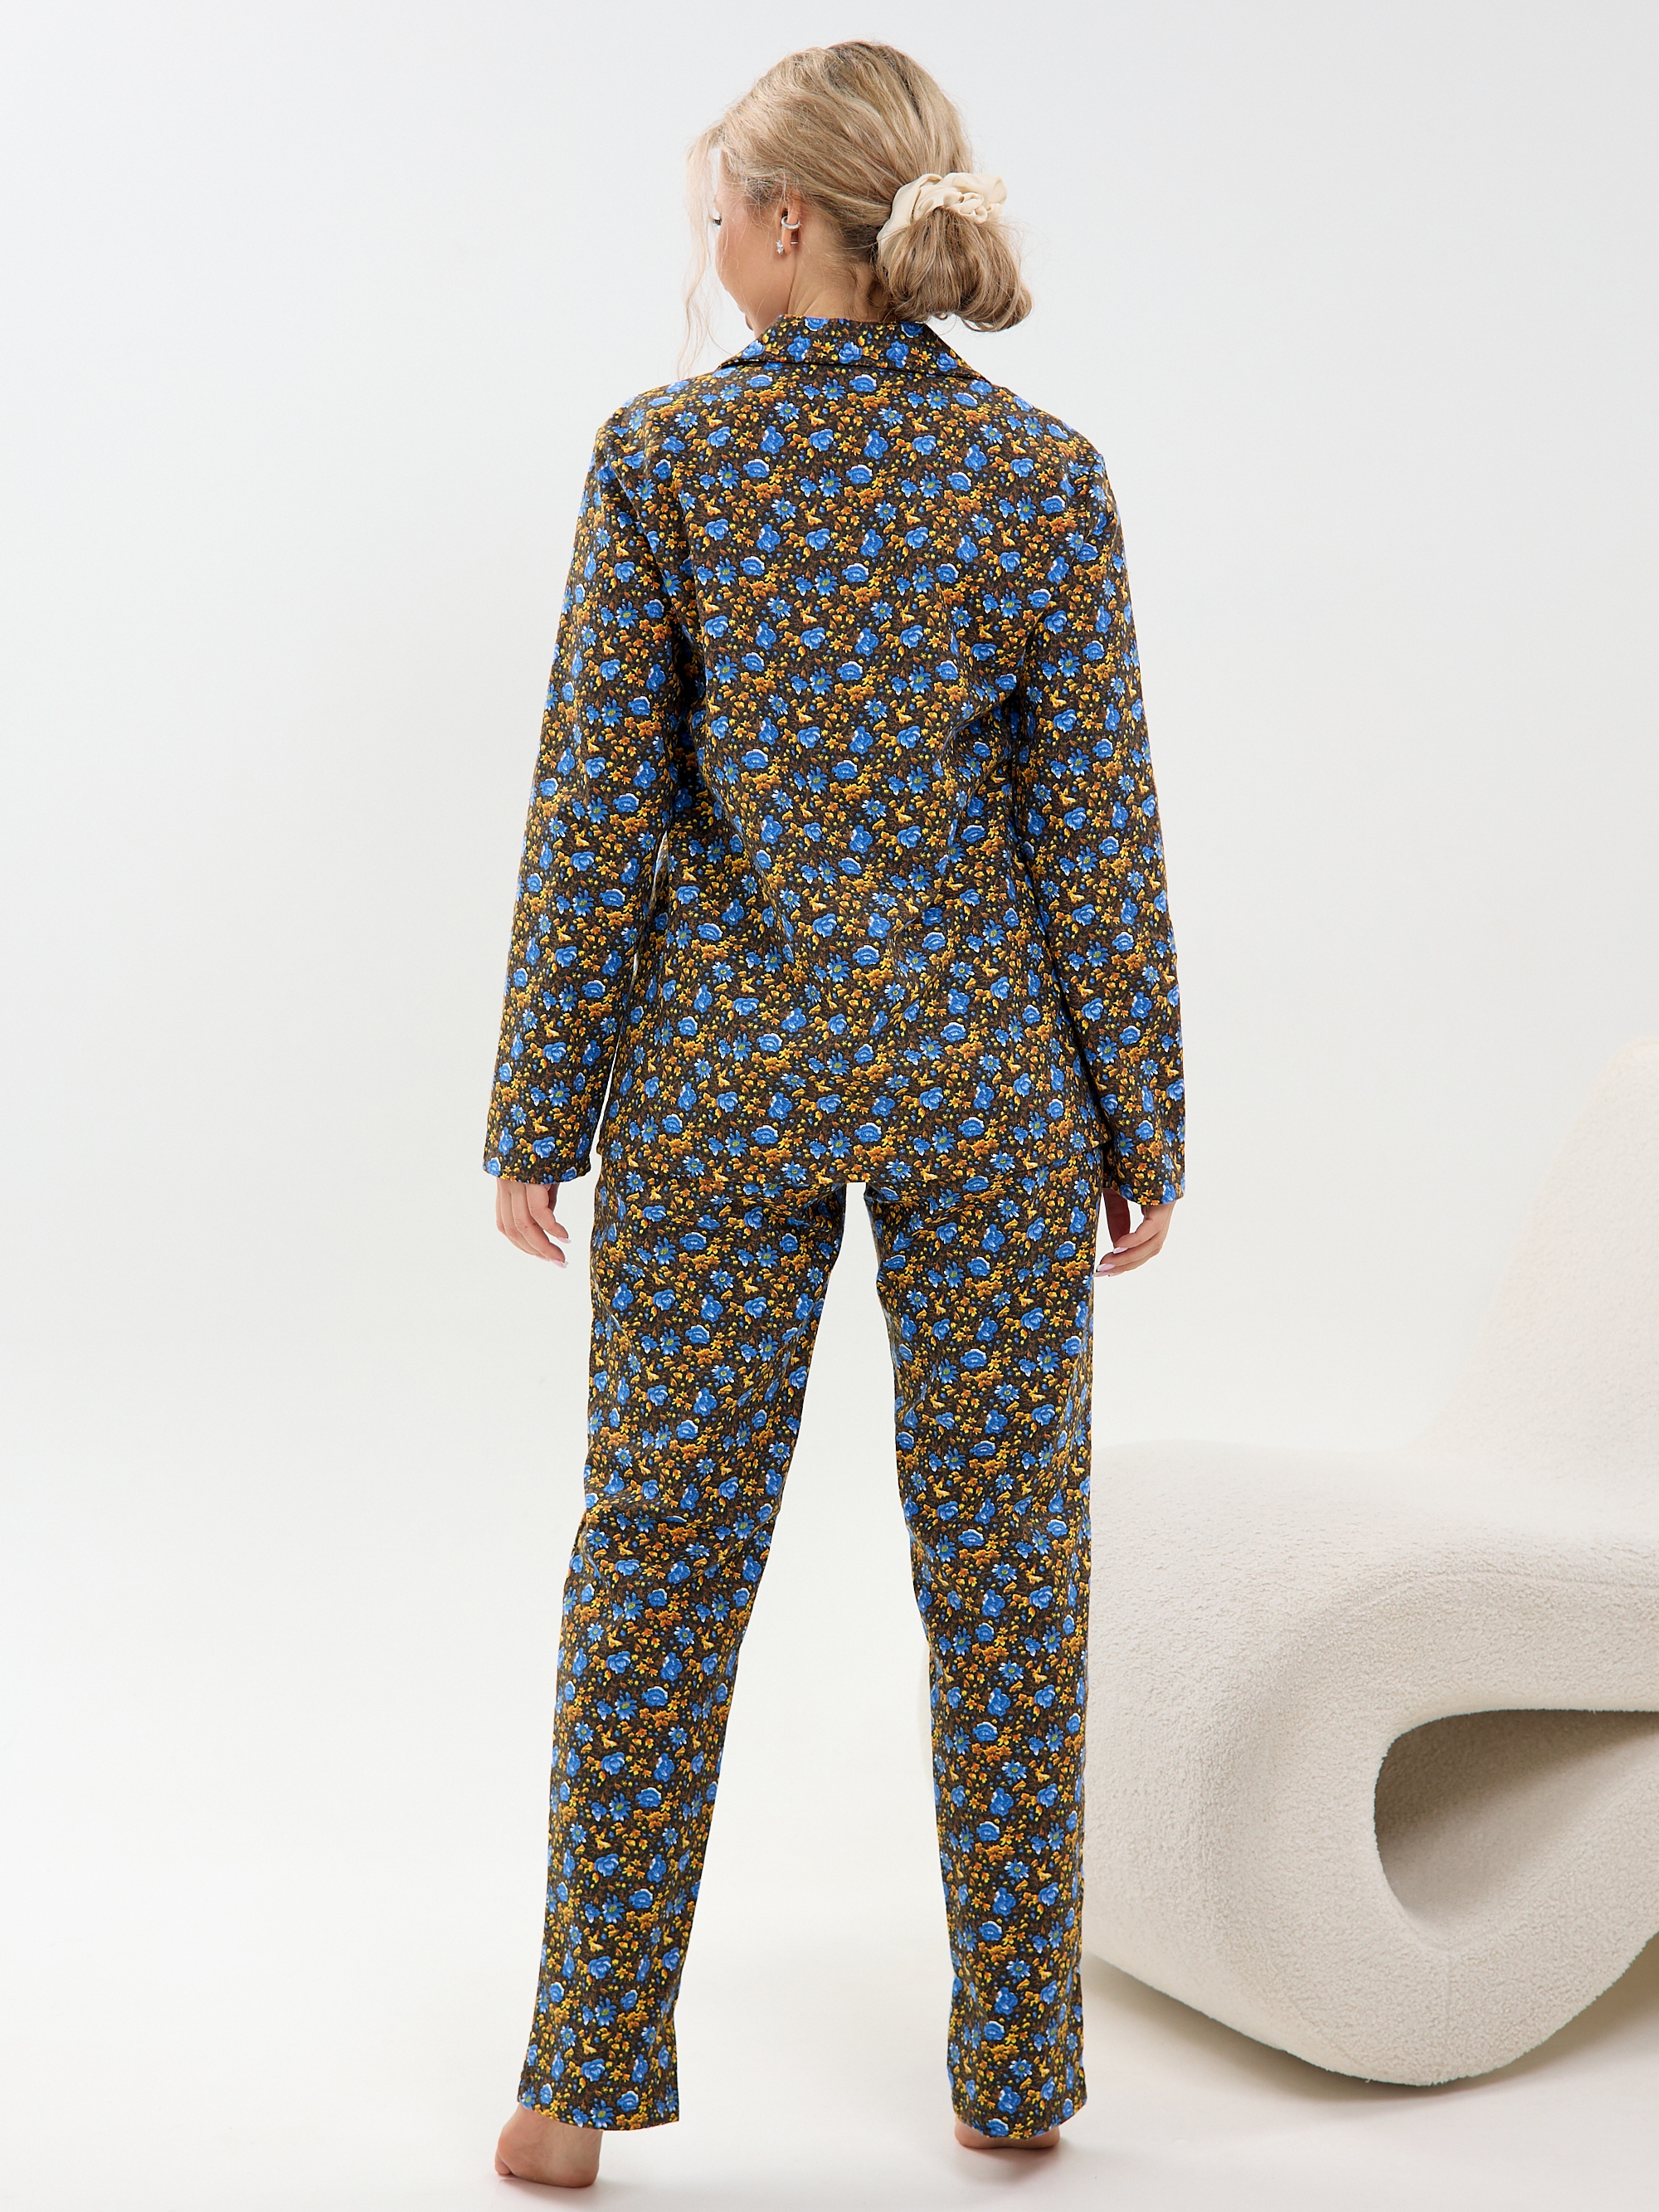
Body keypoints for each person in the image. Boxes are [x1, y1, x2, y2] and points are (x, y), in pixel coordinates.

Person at [486, 40, 1183, 2191]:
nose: (709, 243)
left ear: (792, 225)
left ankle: (577, 2079)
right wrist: (1141, 1115)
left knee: (656, 1562)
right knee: (1009, 1574)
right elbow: (1096, 833)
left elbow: (600, 809)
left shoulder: (666, 460)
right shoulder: (1040, 479)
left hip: (721, 1082)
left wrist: (539, 1104)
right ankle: (1019, 2071)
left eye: (719, 209)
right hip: (989, 1086)